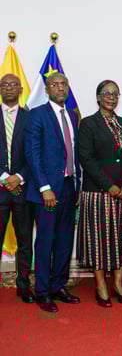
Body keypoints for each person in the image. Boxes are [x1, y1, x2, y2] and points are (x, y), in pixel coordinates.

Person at [77, 80, 122, 308]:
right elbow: (87, 159)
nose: (111, 97)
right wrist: (109, 186)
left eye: (115, 93)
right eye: (106, 93)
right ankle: (101, 286)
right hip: (97, 194)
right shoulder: (88, 124)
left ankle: (119, 283)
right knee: (99, 241)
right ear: (98, 97)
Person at [24, 72, 81, 313]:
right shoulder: (37, 115)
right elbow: (33, 155)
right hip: (47, 191)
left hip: (69, 187)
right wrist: (45, 188)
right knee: (46, 241)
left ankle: (59, 285)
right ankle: (43, 291)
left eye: (63, 84)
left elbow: (74, 154)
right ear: (46, 89)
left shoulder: (72, 116)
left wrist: (78, 184)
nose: (60, 88)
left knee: (65, 240)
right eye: (54, 84)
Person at [0, 74, 34, 303]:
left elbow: (35, 153)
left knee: (24, 242)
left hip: (23, 190)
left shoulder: (31, 118)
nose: (9, 88)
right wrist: (4, 177)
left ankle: (23, 285)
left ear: (21, 89)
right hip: (0, 189)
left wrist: (19, 176)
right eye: (5, 84)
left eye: (13, 84)